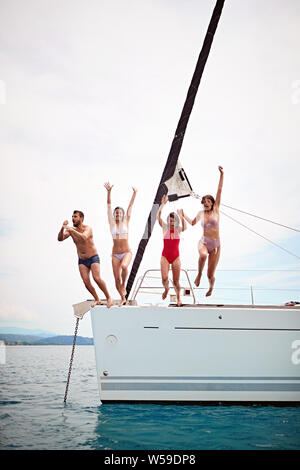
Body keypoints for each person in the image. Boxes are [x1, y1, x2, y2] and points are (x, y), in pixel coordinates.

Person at [182, 165, 224, 297]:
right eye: (204, 201)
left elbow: (219, 190)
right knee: (203, 255)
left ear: (212, 203)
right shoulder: (200, 213)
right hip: (204, 242)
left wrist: (221, 174)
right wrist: (183, 214)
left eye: (208, 201)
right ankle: (199, 274)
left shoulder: (216, 210)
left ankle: (211, 287)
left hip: (215, 245)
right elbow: (193, 223)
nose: (205, 203)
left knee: (210, 274)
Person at [57, 210, 112, 308]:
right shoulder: (71, 230)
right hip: (82, 260)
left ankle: (108, 297)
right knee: (86, 282)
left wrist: (71, 230)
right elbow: (60, 239)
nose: (73, 218)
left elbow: (84, 237)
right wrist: (62, 228)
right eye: (72, 216)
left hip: (93, 257)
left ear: (81, 218)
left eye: (75, 216)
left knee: (97, 278)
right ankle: (97, 299)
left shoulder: (88, 228)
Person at [104, 183, 137, 306]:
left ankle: (124, 285)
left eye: (119, 213)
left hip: (126, 252)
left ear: (122, 214)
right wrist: (108, 192)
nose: (117, 214)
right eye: (116, 213)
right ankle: (123, 297)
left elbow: (130, 205)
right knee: (116, 279)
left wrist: (134, 193)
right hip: (115, 254)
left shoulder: (126, 222)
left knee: (124, 267)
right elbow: (108, 206)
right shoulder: (112, 224)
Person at [158, 194, 187, 307]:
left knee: (176, 281)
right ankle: (166, 289)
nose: (171, 223)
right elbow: (158, 216)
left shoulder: (179, 230)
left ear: (176, 222)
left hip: (176, 257)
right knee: (164, 278)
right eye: (170, 221)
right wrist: (162, 204)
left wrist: (181, 215)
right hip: (165, 256)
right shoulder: (165, 228)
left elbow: (184, 226)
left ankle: (178, 298)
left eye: (173, 221)